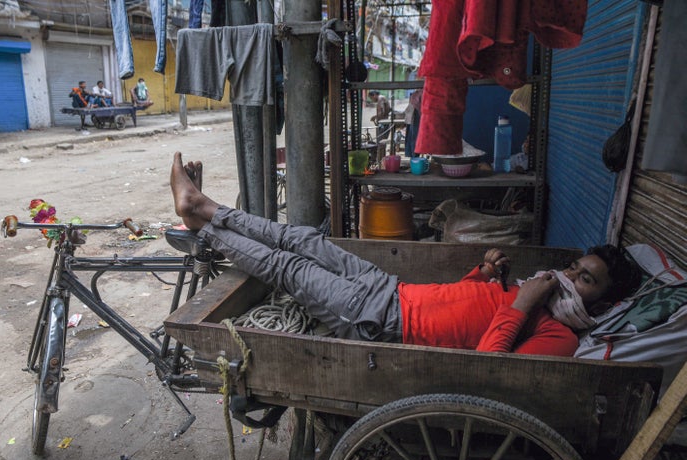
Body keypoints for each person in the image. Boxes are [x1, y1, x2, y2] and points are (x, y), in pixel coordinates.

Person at [170, 153, 642, 356]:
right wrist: (481, 276)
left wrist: (522, 304)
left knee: (289, 267)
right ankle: (206, 207)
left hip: (380, 320)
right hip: (391, 290)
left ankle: (201, 223)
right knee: (306, 241)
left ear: (601, 302)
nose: (570, 275)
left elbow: (488, 364)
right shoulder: (537, 296)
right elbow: (458, 309)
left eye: (585, 279)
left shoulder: (559, 337)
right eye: (576, 267)